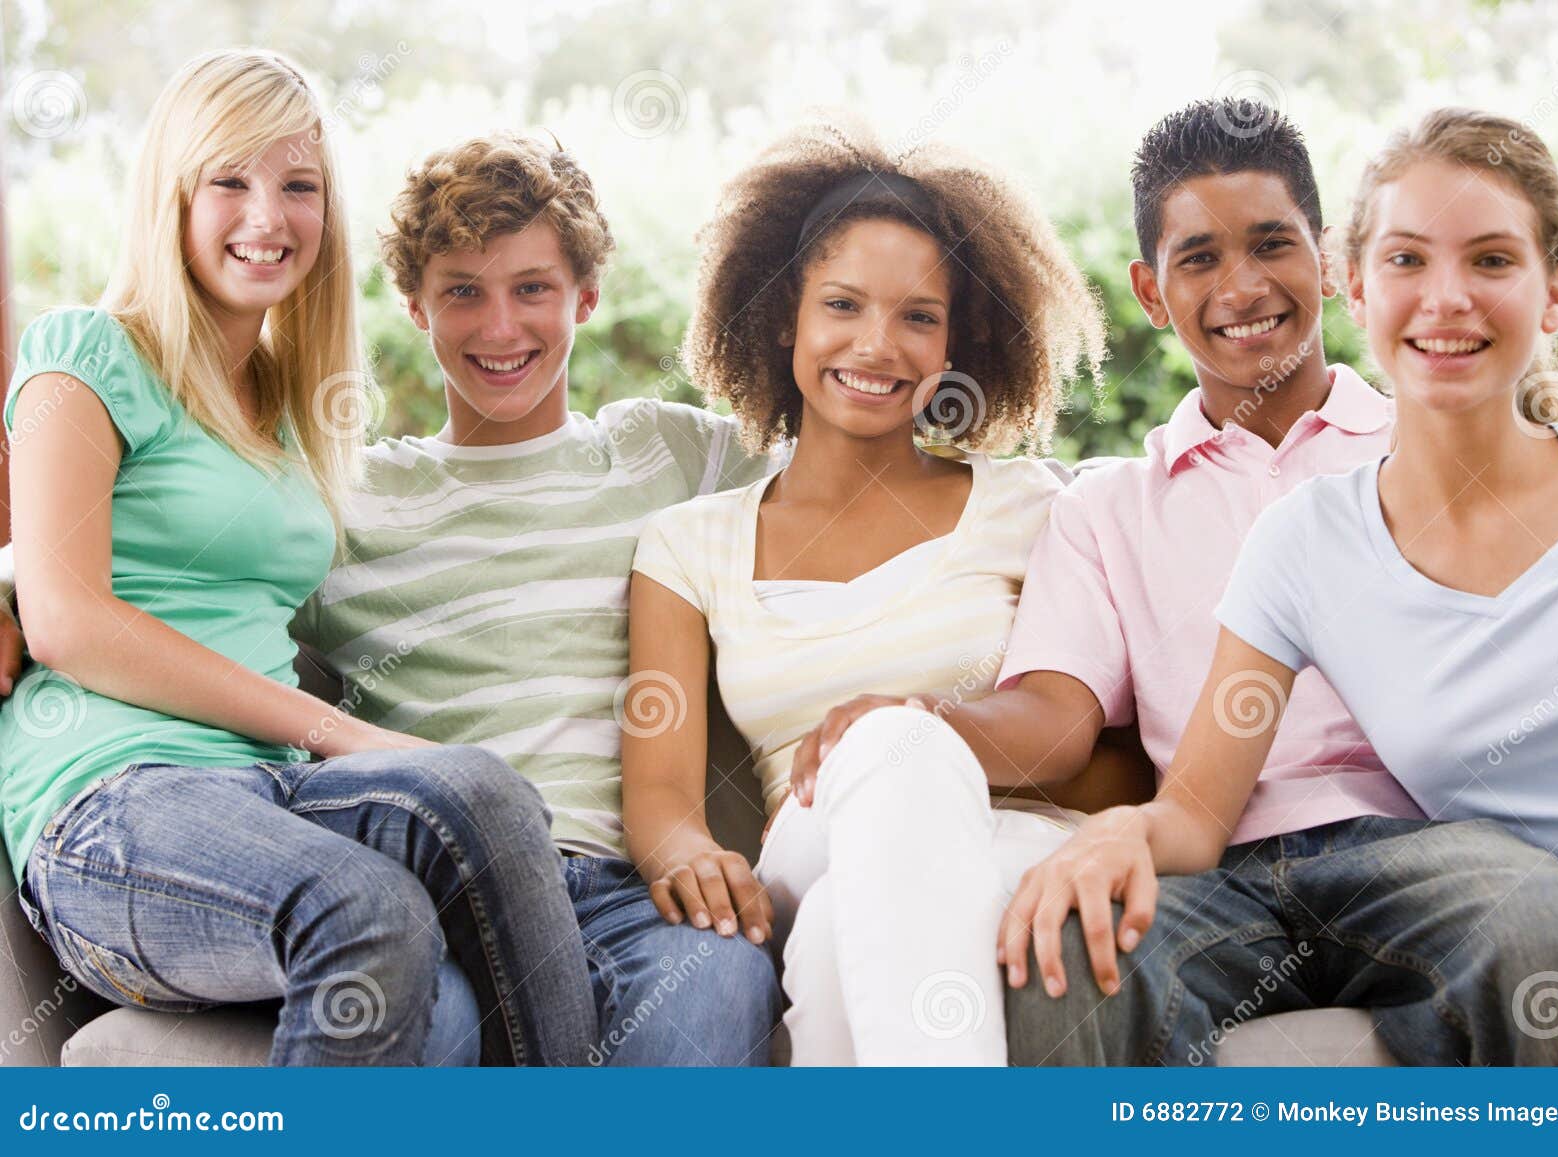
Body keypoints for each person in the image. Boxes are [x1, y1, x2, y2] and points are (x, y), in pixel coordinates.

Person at [0, 50, 595, 1066]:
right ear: (172, 194)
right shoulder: (87, 352)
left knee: (489, 794)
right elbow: (65, 614)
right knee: (369, 909)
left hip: (268, 794)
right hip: (116, 803)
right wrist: (340, 734)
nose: (267, 216)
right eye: (229, 179)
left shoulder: (285, 403)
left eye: (299, 186)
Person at [1002, 107, 1558, 1065]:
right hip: (1222, 869)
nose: (1241, 285)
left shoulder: (1434, 430)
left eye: (1272, 244)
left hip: (1416, 849)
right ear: (1151, 292)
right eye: (1199, 258)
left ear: (1330, 267)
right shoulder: (1128, 509)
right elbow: (1151, 783)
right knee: (1074, 957)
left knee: (1541, 931)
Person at [625, 118, 1140, 1065]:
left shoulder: (1030, 506)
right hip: (806, 841)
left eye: (917, 316)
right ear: (787, 317)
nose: (877, 345)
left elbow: (1115, 762)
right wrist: (693, 862)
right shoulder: (689, 544)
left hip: (1014, 842)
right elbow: (660, 799)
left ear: (957, 339)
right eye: (844, 305)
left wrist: (929, 741)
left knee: (831, 943)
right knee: (888, 747)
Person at [287, 131, 785, 1065]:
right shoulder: (348, 498)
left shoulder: (666, 454)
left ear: (586, 297)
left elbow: (863, 470)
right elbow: (174, 564)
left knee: (724, 978)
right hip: (440, 893)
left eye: (532, 288)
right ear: (415, 305)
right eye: (463, 292)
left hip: (634, 890)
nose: (500, 327)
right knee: (409, 1021)